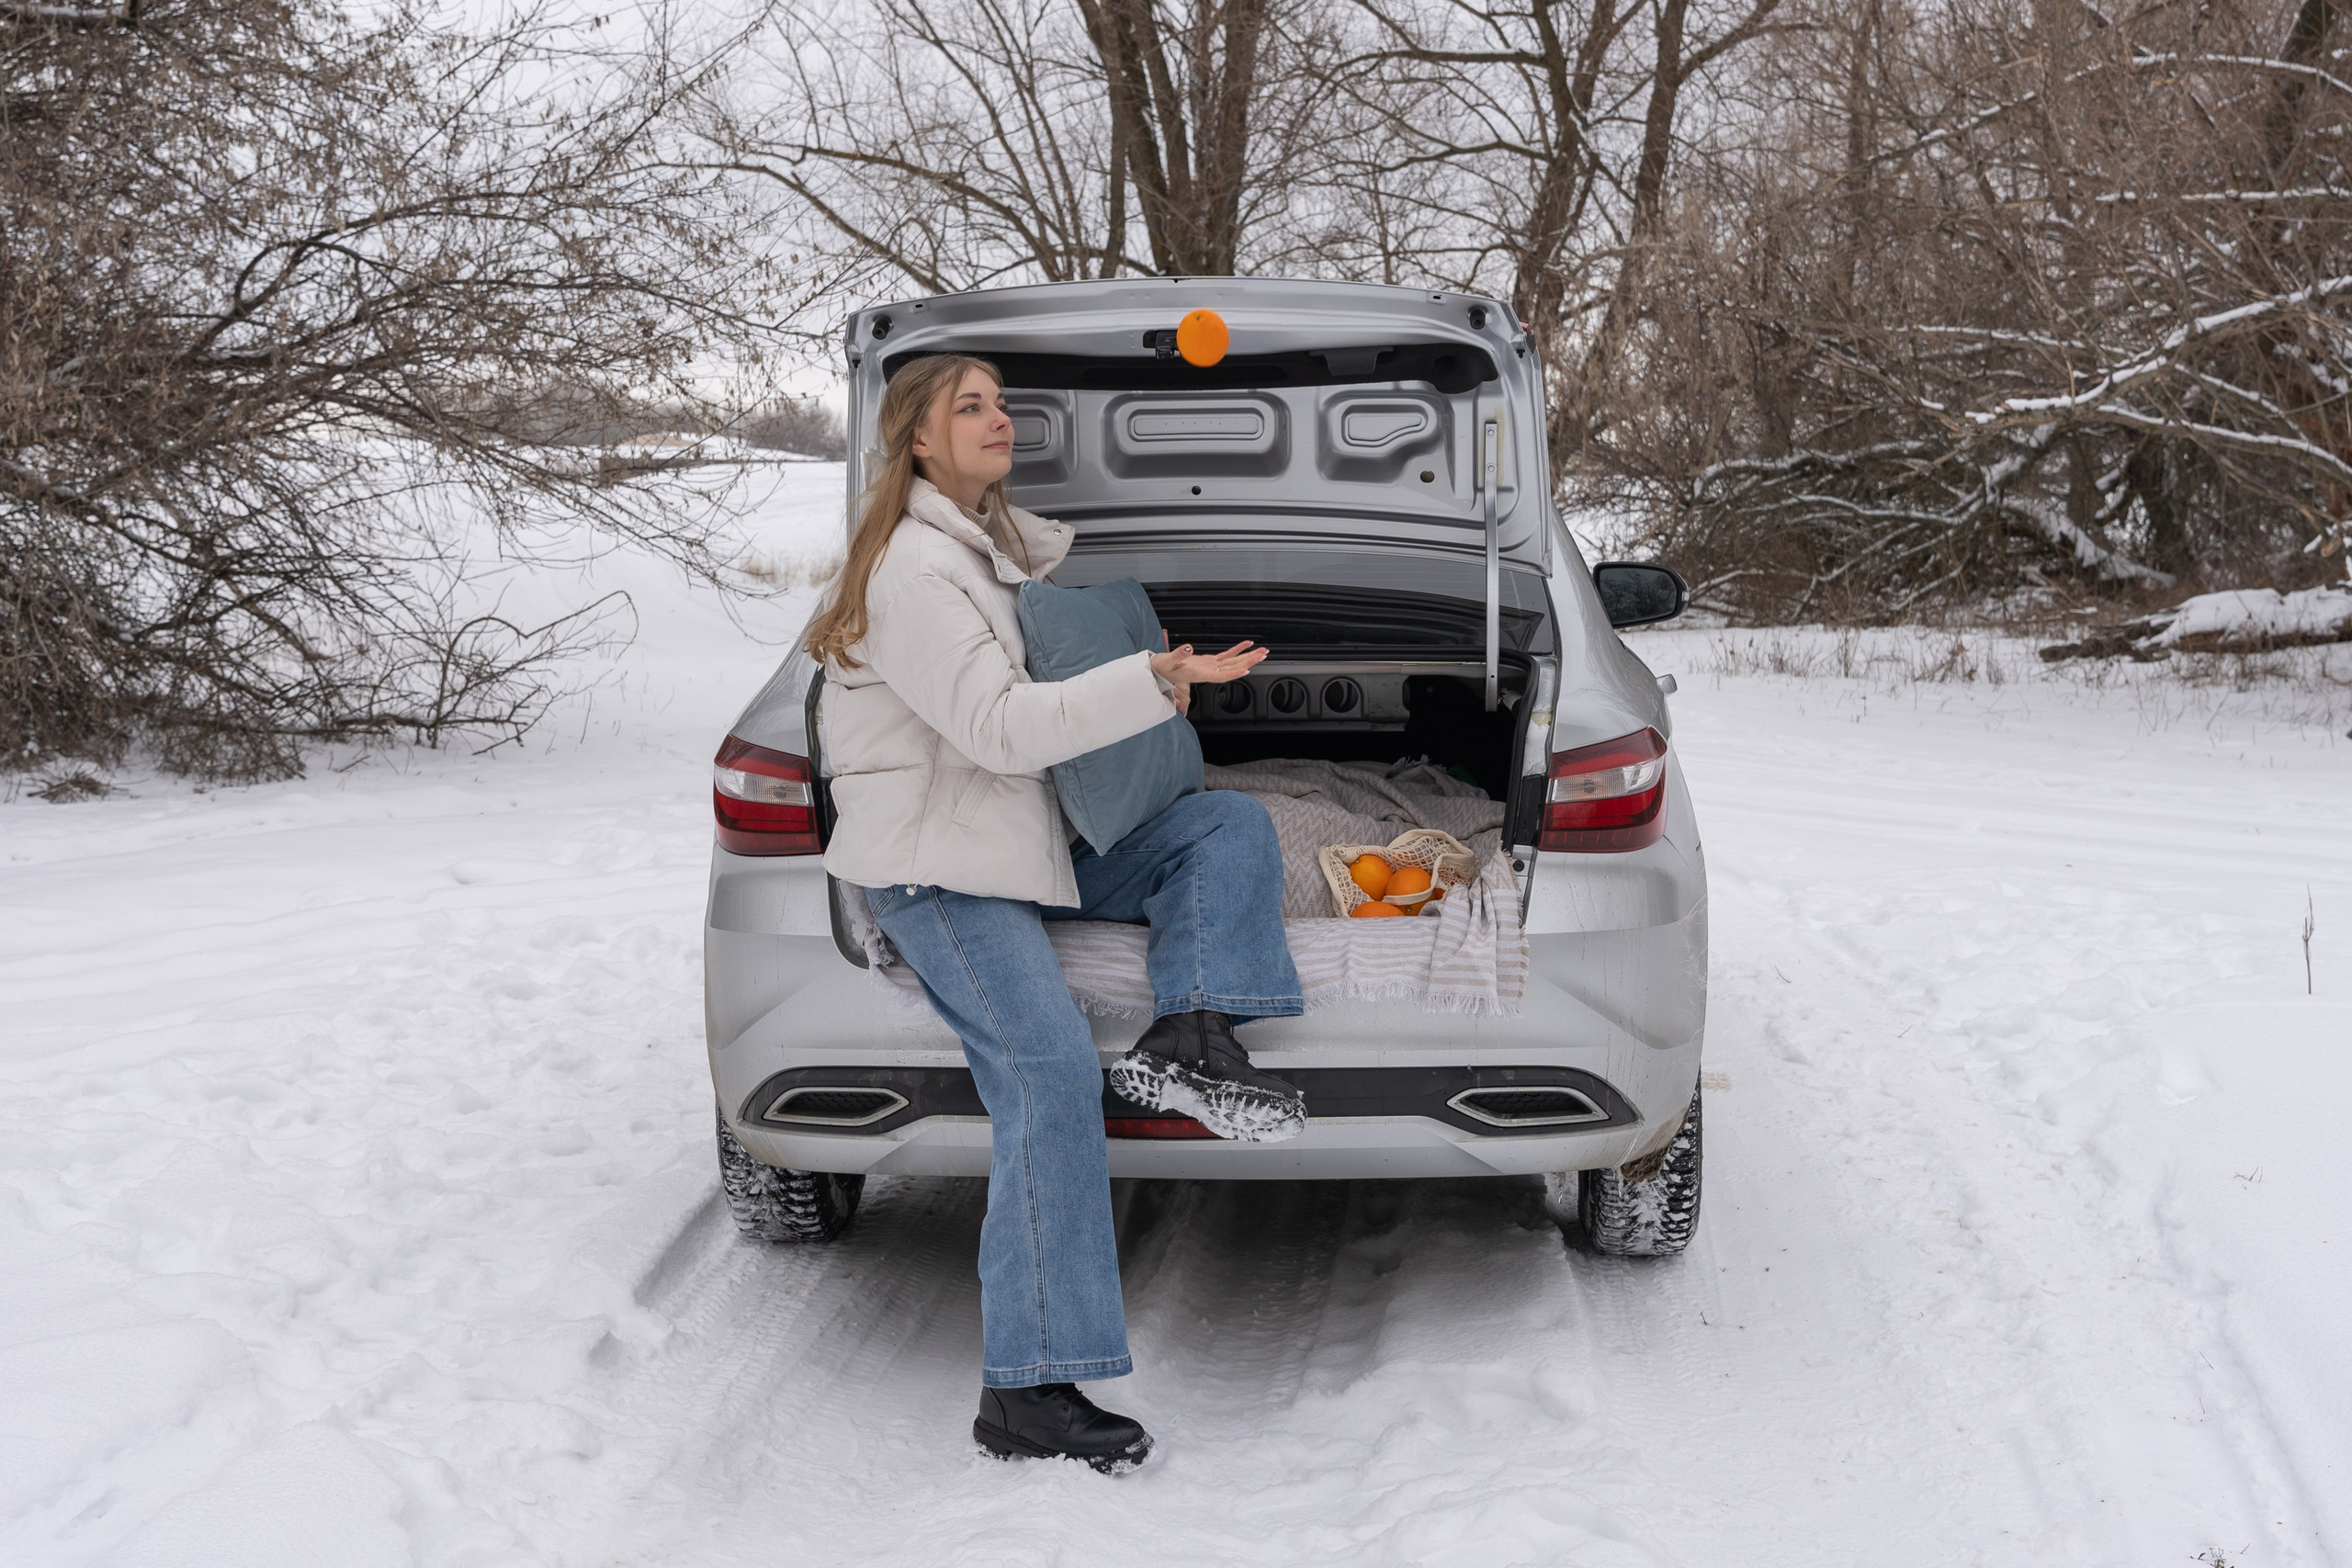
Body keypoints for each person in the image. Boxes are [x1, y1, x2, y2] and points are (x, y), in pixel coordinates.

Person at [802, 354, 1308, 1473]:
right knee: (1046, 1073)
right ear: (917, 442)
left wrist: (1150, 670)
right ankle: (1025, 1390)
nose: (998, 420)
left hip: (1024, 848)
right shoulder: (909, 573)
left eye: (1000, 404)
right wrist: (1155, 677)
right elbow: (995, 730)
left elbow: (1034, 577)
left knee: (1222, 828)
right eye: (967, 407)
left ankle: (1194, 1034)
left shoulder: (982, 551)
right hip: (943, 871)